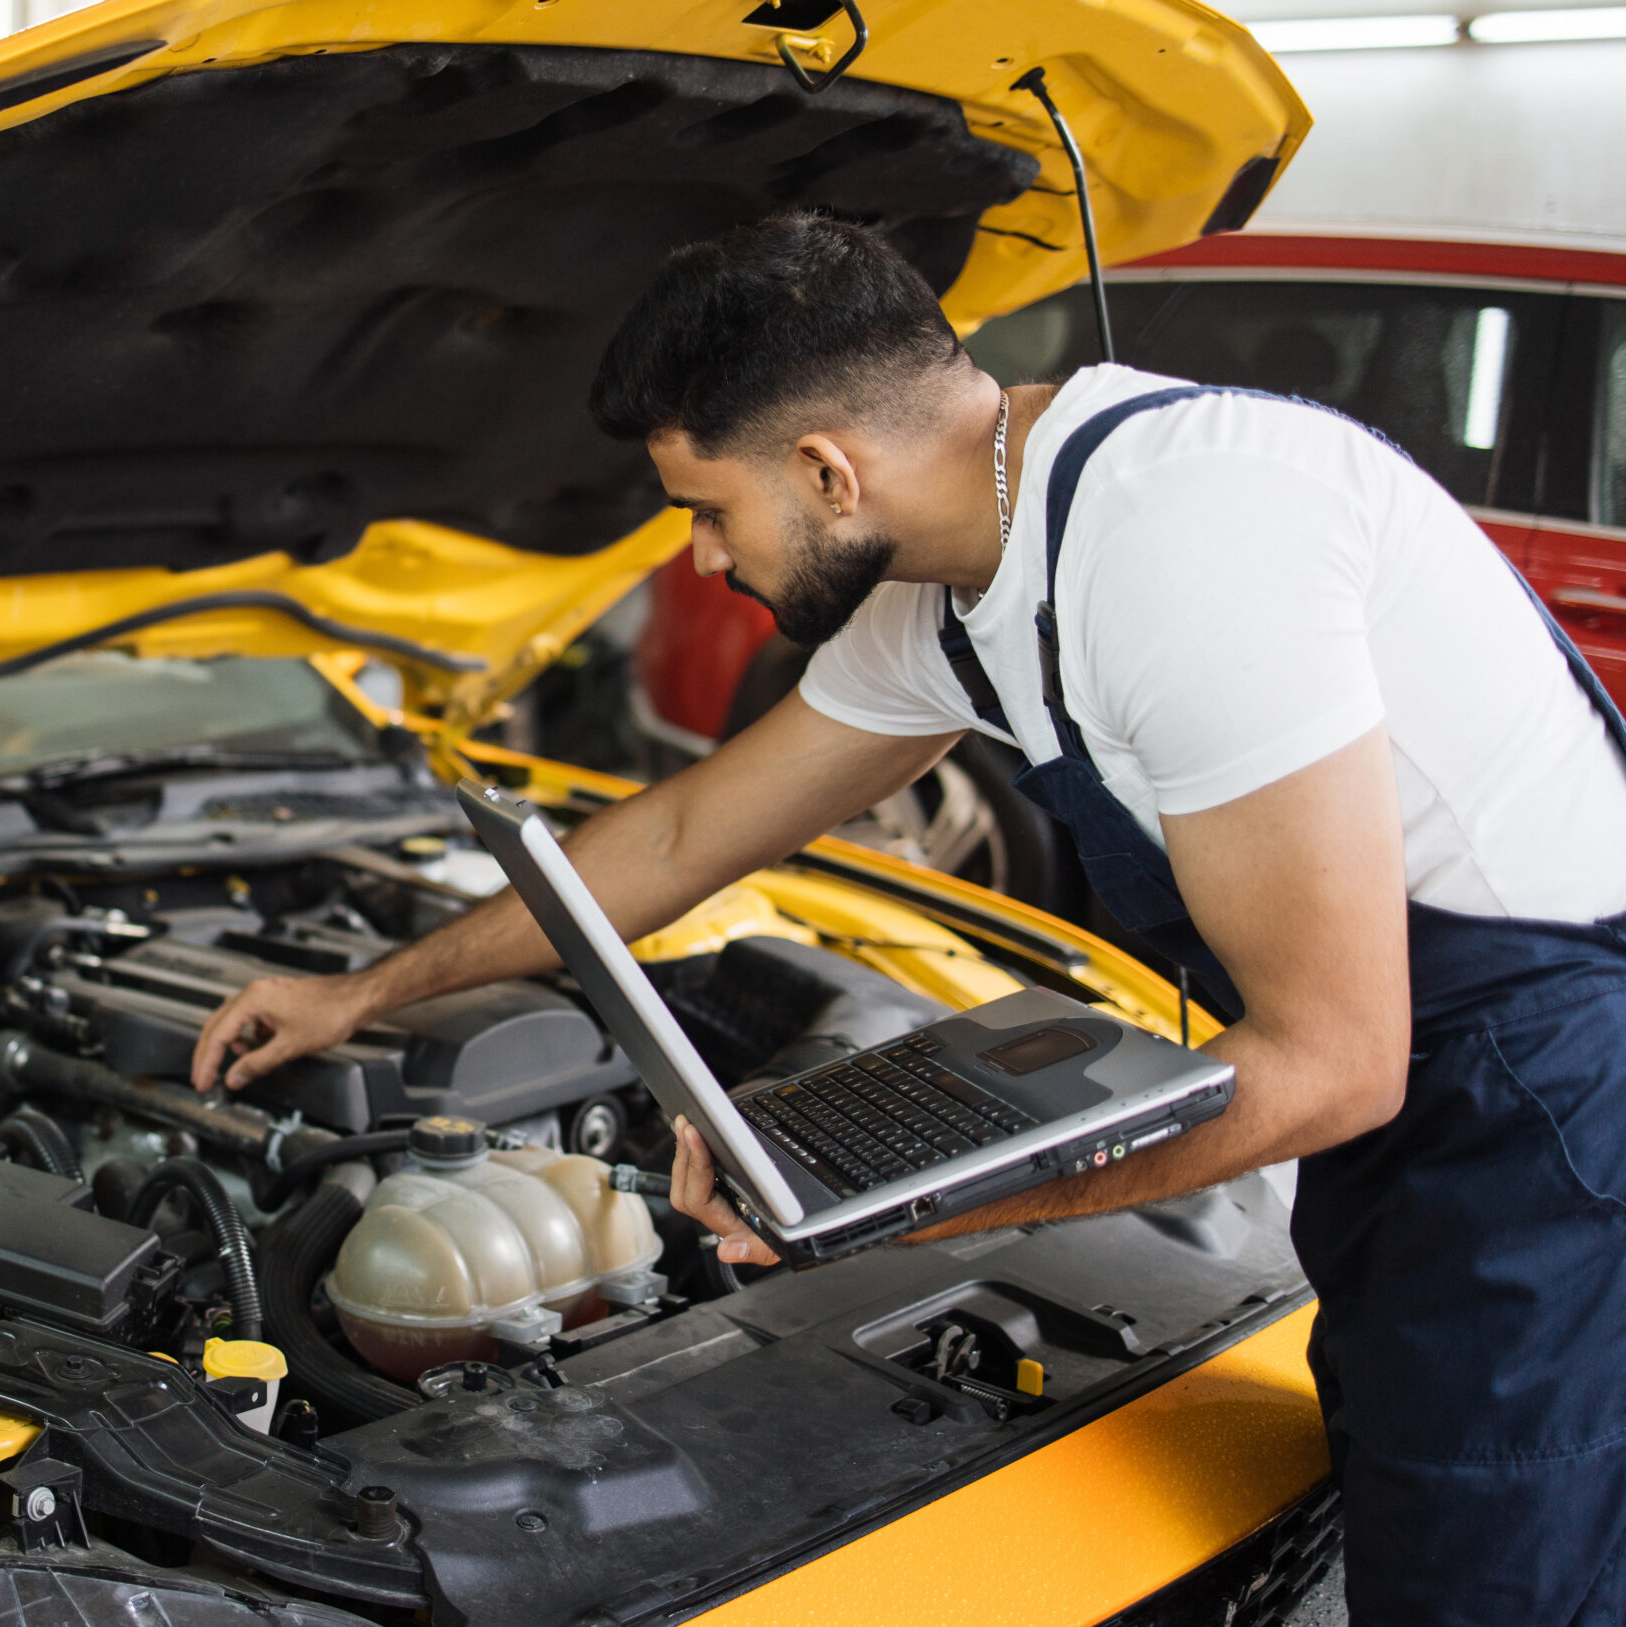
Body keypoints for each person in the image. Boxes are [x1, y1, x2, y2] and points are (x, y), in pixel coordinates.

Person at [189, 212, 1626, 1625]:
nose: (697, 559)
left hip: (1541, 1116)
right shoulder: (960, 576)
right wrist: (366, 994)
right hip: (1424, 1113)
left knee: (1495, 1570)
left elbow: (1334, 1061)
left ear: (826, 470)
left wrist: (924, 1210)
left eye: (706, 510)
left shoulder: (1179, 547)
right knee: (1417, 1506)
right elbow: (684, 832)